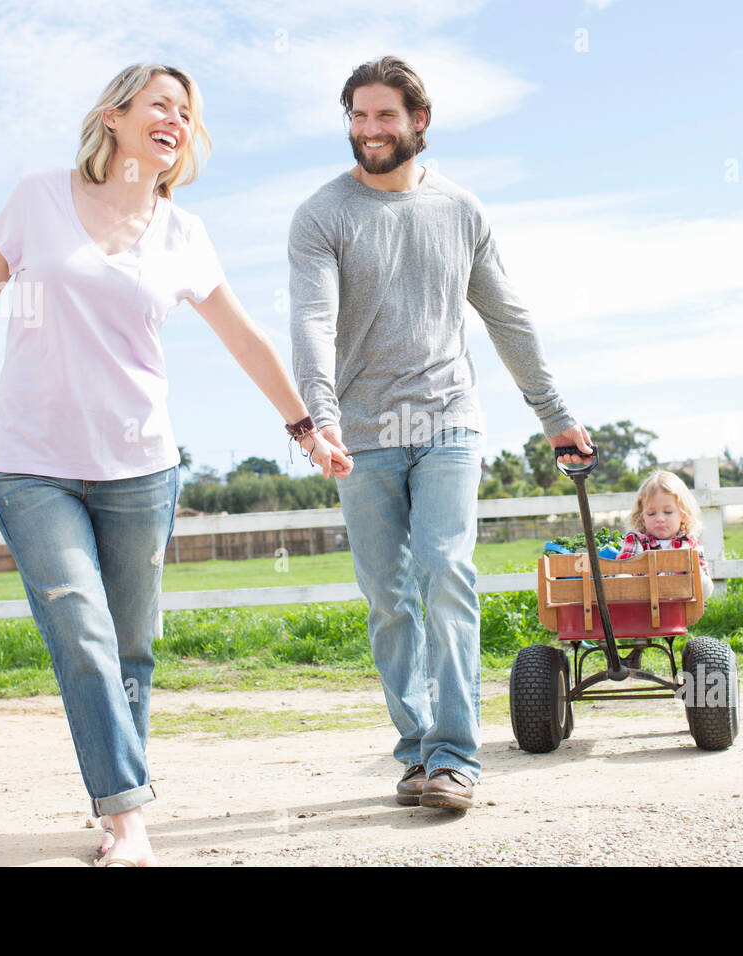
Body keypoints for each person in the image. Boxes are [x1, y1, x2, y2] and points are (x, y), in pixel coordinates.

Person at [0, 63, 351, 866]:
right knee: (83, 634)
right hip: (31, 464)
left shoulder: (182, 233)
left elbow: (244, 339)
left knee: (130, 649)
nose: (176, 119)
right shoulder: (39, 198)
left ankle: (116, 802)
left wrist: (304, 427)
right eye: (161, 103)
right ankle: (128, 819)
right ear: (115, 115)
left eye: (187, 112)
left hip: (141, 468)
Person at [289, 56, 592, 811]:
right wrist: (321, 416)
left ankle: (455, 756)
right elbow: (313, 320)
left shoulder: (462, 210)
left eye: (383, 116)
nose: (368, 131)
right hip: (360, 433)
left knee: (445, 571)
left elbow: (507, 316)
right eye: (357, 116)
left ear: (418, 121)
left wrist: (554, 416)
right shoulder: (322, 214)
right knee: (389, 598)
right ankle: (416, 748)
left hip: (449, 420)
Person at [616, 470, 715, 601]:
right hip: (644, 609)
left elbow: (706, 591)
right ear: (642, 517)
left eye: (668, 512)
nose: (660, 519)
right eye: (651, 513)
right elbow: (623, 571)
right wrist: (626, 580)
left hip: (678, 610)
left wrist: (694, 570)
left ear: (683, 514)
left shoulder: (690, 544)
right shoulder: (637, 541)